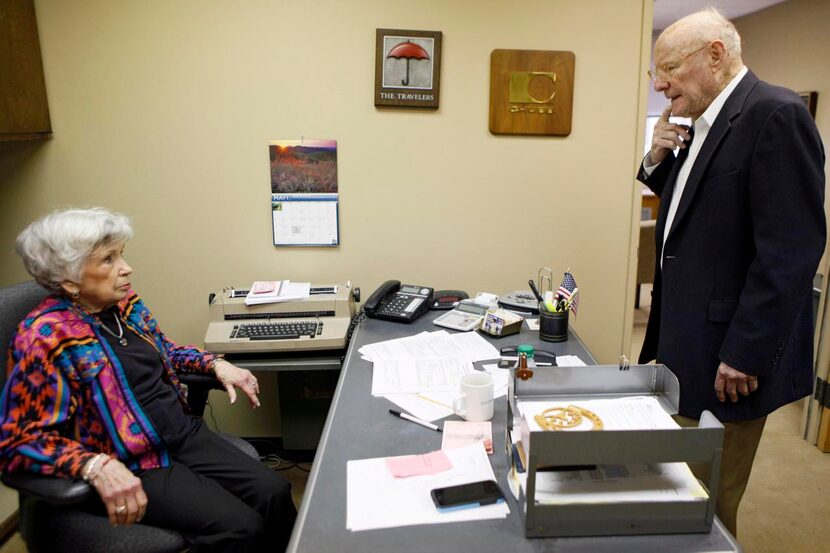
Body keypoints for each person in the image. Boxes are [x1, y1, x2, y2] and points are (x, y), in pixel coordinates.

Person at [0, 207, 297, 551]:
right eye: (108, 260)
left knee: (275, 493)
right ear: (69, 279)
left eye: (121, 255)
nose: (126, 268)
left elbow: (165, 351)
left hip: (183, 435)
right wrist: (94, 466)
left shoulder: (126, 305)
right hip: (133, 459)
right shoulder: (44, 337)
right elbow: (19, 440)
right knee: (240, 527)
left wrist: (214, 365)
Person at [637, 8, 826, 536]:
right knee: (676, 485)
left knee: (708, 503)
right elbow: (694, 212)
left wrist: (746, 352)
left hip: (731, 358)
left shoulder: (776, 114)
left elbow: (790, 251)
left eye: (669, 66)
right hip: (685, 341)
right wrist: (655, 160)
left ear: (715, 55)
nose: (659, 82)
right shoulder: (700, 122)